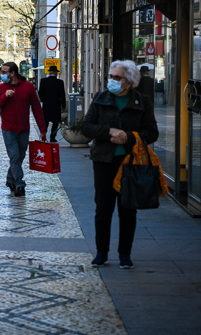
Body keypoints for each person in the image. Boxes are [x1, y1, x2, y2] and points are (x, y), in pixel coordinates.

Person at [81, 59, 158, 270]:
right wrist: (109, 132)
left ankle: (125, 254)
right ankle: (101, 253)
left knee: (128, 209)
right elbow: (86, 127)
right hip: (104, 161)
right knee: (103, 208)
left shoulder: (143, 101)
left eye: (117, 77)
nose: (112, 81)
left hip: (130, 163)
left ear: (129, 81)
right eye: (110, 76)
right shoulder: (100, 98)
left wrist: (129, 137)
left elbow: (152, 133)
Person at [0, 62, 47, 197]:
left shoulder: (28, 86)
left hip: (24, 128)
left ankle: (10, 179)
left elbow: (37, 108)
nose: (2, 75)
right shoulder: (0, 88)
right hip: (8, 128)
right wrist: (5, 96)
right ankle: (20, 184)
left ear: (12, 73)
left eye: (4, 72)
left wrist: (42, 129)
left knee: (20, 156)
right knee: (14, 156)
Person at [38, 65, 66, 142]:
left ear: (50, 73)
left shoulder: (43, 81)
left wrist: (43, 99)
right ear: (56, 73)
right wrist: (63, 105)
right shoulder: (60, 82)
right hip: (56, 105)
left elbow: (40, 92)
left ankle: (43, 136)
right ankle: (52, 137)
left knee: (45, 121)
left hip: (46, 104)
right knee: (55, 122)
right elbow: (62, 95)